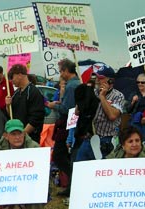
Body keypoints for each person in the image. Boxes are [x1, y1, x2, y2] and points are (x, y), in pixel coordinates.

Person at [46, 59, 80, 197]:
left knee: (59, 155)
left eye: (61, 71)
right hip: (71, 123)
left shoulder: (72, 86)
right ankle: (72, 183)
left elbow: (68, 109)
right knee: (66, 155)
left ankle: (73, 181)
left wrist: (55, 106)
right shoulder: (76, 83)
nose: (60, 74)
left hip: (68, 123)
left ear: (66, 70)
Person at [0, 119, 44, 209]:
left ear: (24, 133)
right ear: (6, 136)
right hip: (8, 187)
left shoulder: (35, 149)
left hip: (30, 186)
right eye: (13, 134)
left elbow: (42, 173)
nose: (17, 137)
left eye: (20, 133)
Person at [5, 64, 45, 143]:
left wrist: (22, 134)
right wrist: (7, 105)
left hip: (30, 138)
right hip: (17, 138)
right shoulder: (16, 93)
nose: (11, 80)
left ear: (19, 75)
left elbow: (36, 119)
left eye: (12, 77)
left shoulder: (34, 92)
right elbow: (11, 114)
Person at [125, 73, 145, 139]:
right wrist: (133, 102)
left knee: (144, 141)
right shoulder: (134, 94)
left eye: (142, 82)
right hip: (135, 121)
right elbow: (127, 110)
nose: (140, 84)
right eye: (138, 82)